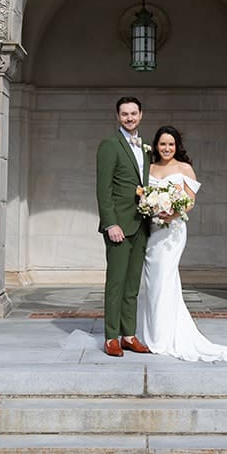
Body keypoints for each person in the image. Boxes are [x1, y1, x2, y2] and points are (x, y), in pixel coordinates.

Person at [135, 125, 227, 362]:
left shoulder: (184, 168)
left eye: (171, 144)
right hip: (151, 230)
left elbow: (190, 202)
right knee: (153, 281)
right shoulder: (148, 168)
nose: (166, 148)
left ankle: (163, 338)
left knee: (165, 277)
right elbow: (142, 194)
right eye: (162, 144)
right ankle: (152, 332)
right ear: (156, 145)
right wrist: (152, 205)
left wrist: (172, 212)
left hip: (172, 231)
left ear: (177, 145)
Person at [94, 96, 151, 357]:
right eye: (124, 114)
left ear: (141, 115)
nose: (129, 118)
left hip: (142, 224)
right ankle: (110, 338)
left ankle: (129, 335)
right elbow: (103, 189)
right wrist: (110, 223)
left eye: (133, 113)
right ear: (118, 117)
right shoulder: (109, 145)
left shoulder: (146, 148)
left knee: (132, 285)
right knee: (115, 283)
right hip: (119, 225)